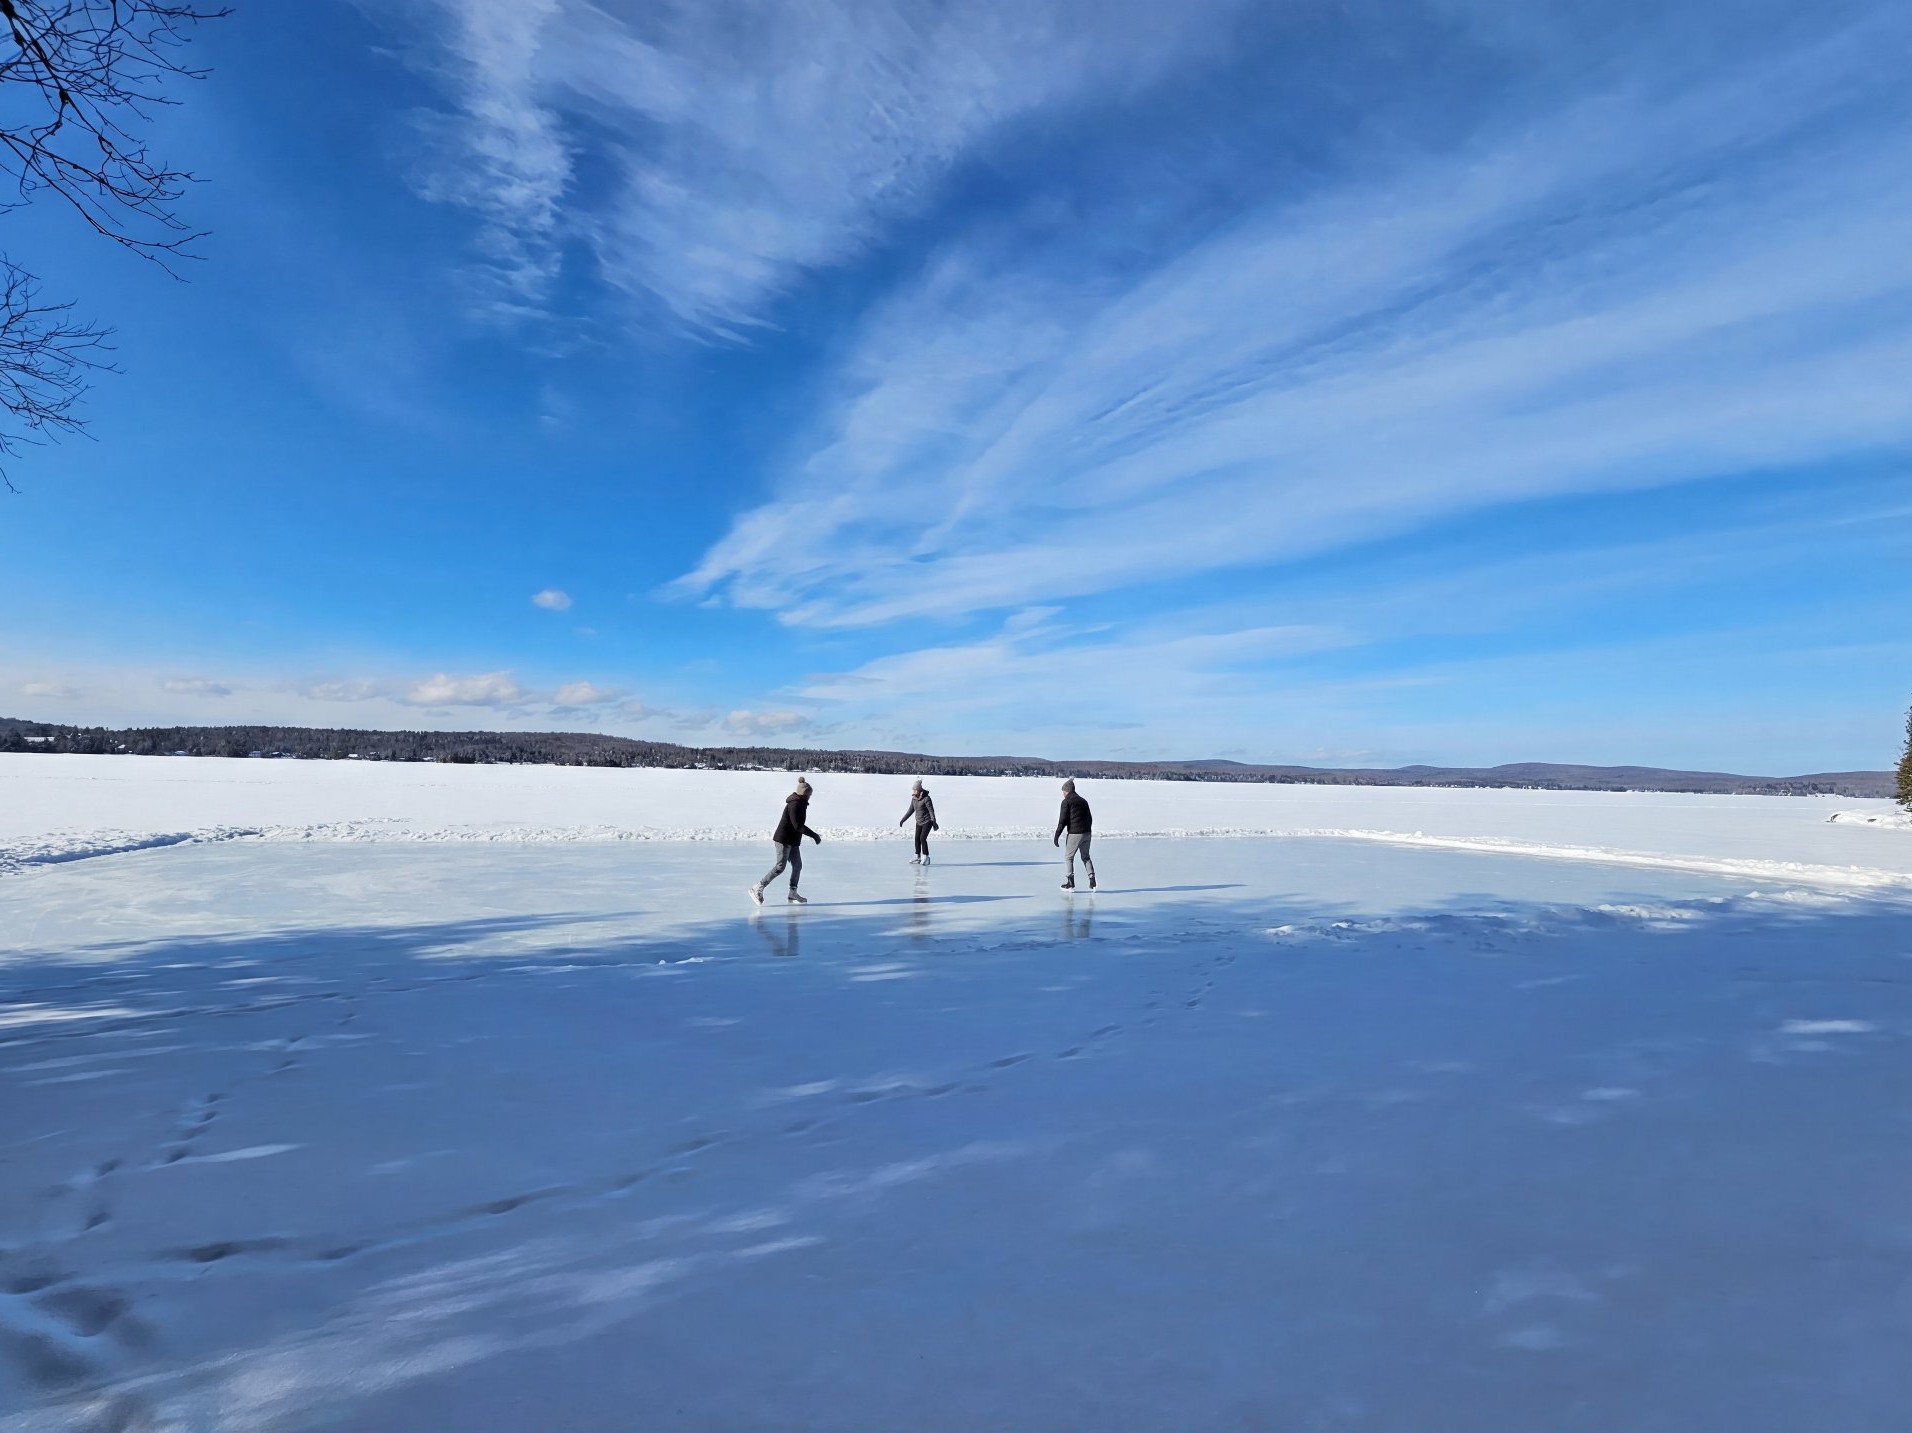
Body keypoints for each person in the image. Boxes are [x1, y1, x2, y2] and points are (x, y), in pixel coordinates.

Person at [751, 777, 821, 904]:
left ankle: (792, 893)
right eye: (809, 795)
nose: (810, 797)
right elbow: (798, 826)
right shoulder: (794, 805)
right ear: (803, 795)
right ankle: (758, 887)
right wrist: (814, 835)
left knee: (797, 866)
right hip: (783, 839)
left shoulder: (801, 803)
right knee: (780, 867)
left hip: (793, 841)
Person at [1054, 778, 1096, 891]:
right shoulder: (1083, 801)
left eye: (1063, 791)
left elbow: (1062, 820)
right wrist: (1087, 830)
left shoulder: (1066, 801)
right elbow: (1090, 818)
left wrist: (1056, 836)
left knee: (1069, 857)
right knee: (1086, 857)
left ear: (1067, 791)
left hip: (1075, 833)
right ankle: (1092, 880)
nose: (1062, 793)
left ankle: (1070, 882)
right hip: (1087, 833)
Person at [898, 778, 939, 864]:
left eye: (914, 789)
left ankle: (926, 857)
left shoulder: (926, 798)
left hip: (928, 821)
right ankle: (917, 856)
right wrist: (903, 820)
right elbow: (910, 810)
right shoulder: (914, 799)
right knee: (917, 838)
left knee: (922, 838)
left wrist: (934, 822)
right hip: (919, 821)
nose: (913, 791)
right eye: (913, 789)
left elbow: (931, 811)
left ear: (919, 789)